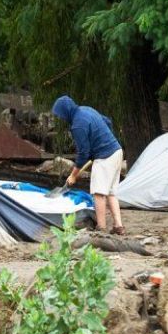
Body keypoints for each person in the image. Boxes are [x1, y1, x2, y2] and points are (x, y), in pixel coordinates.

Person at [51, 95, 126, 235]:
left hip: (105, 157)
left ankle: (101, 228)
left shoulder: (77, 125)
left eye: (60, 115)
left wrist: (73, 175)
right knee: (111, 192)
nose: (60, 118)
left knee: (99, 193)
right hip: (116, 150)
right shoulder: (86, 109)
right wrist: (105, 140)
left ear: (65, 112)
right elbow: (107, 122)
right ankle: (118, 226)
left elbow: (83, 153)